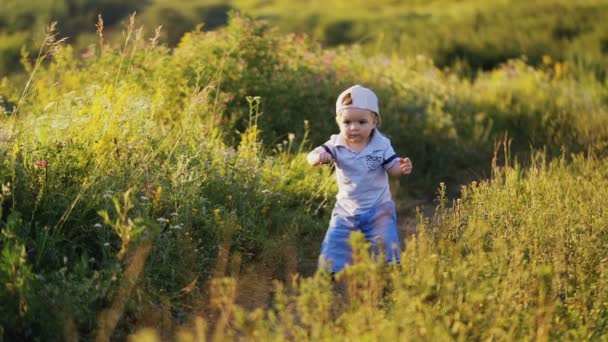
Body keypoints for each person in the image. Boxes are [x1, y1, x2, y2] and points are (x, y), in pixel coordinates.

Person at [307, 84, 413, 274]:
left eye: (361, 122)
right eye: (347, 122)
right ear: (339, 122)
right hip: (346, 210)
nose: (353, 127)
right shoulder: (335, 143)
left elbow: (393, 168)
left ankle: (389, 274)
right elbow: (315, 152)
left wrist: (402, 167)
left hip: (378, 208)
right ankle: (329, 276)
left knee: (385, 244)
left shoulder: (381, 145)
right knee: (335, 244)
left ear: (374, 122)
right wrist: (316, 157)